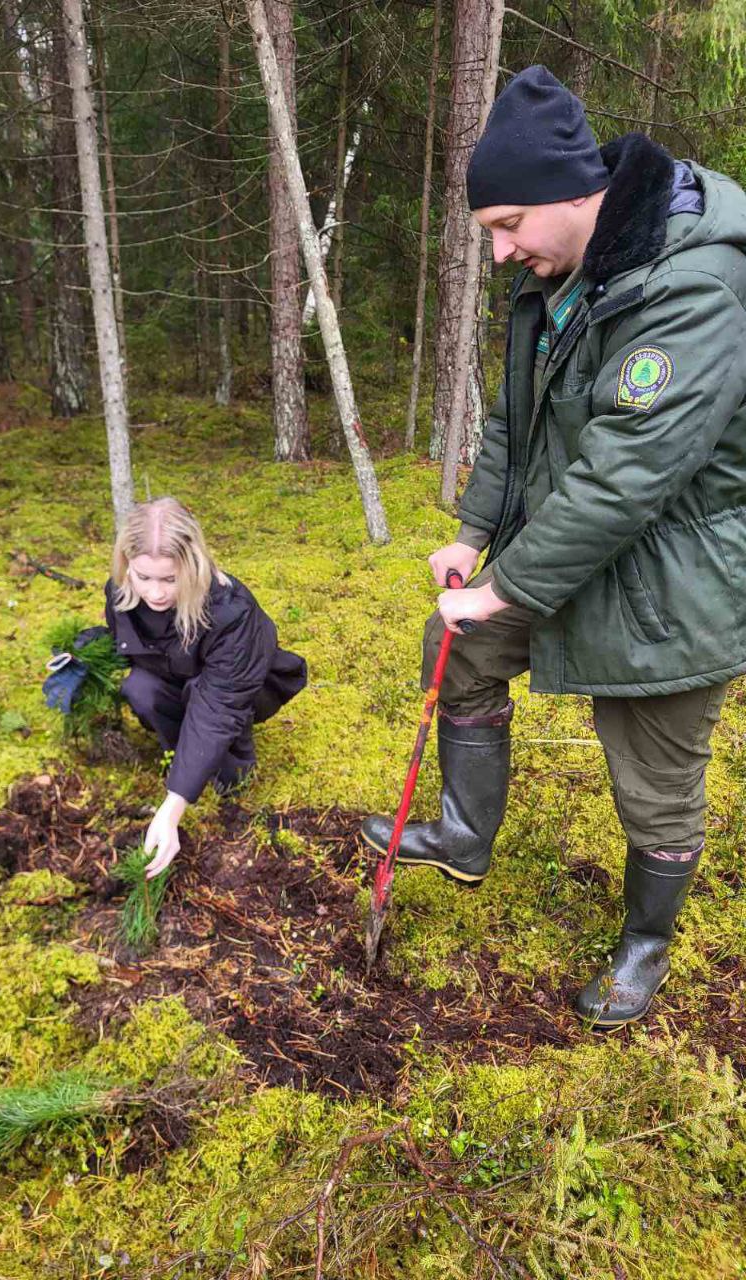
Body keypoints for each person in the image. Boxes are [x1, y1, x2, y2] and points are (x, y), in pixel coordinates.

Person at [361, 65, 746, 1028]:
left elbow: (627, 476)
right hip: (574, 549)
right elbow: (515, 422)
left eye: (506, 225)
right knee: (458, 650)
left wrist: (503, 588)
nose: (498, 254)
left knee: (653, 783)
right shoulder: (566, 272)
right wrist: (474, 537)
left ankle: (645, 945)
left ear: (575, 193)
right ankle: (463, 832)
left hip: (674, 581)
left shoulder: (694, 289)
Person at [105, 497, 307, 879]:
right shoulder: (122, 593)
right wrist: (82, 656)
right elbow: (126, 645)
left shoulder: (231, 611)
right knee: (139, 689)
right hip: (178, 679)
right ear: (127, 564)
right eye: (143, 577)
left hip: (238, 690)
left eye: (169, 579)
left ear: (193, 564)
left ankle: (225, 768)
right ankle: (182, 755)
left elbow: (219, 706)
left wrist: (172, 809)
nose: (155, 593)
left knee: (223, 761)